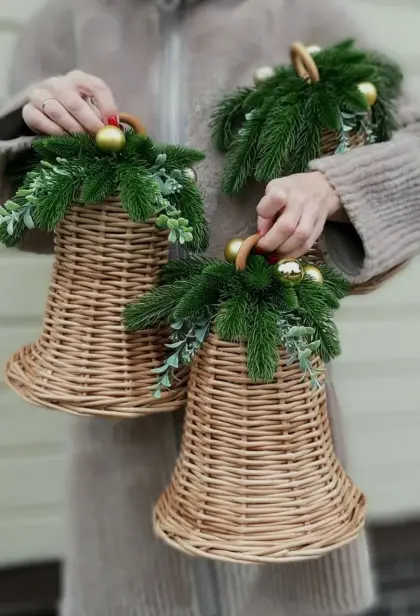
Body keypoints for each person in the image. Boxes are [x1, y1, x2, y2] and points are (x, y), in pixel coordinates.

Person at [1, 0, 420, 615]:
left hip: (272, 405)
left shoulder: (304, 16)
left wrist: (337, 187)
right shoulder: (64, 23)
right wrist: (30, 123)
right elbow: (29, 219)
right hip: (118, 406)